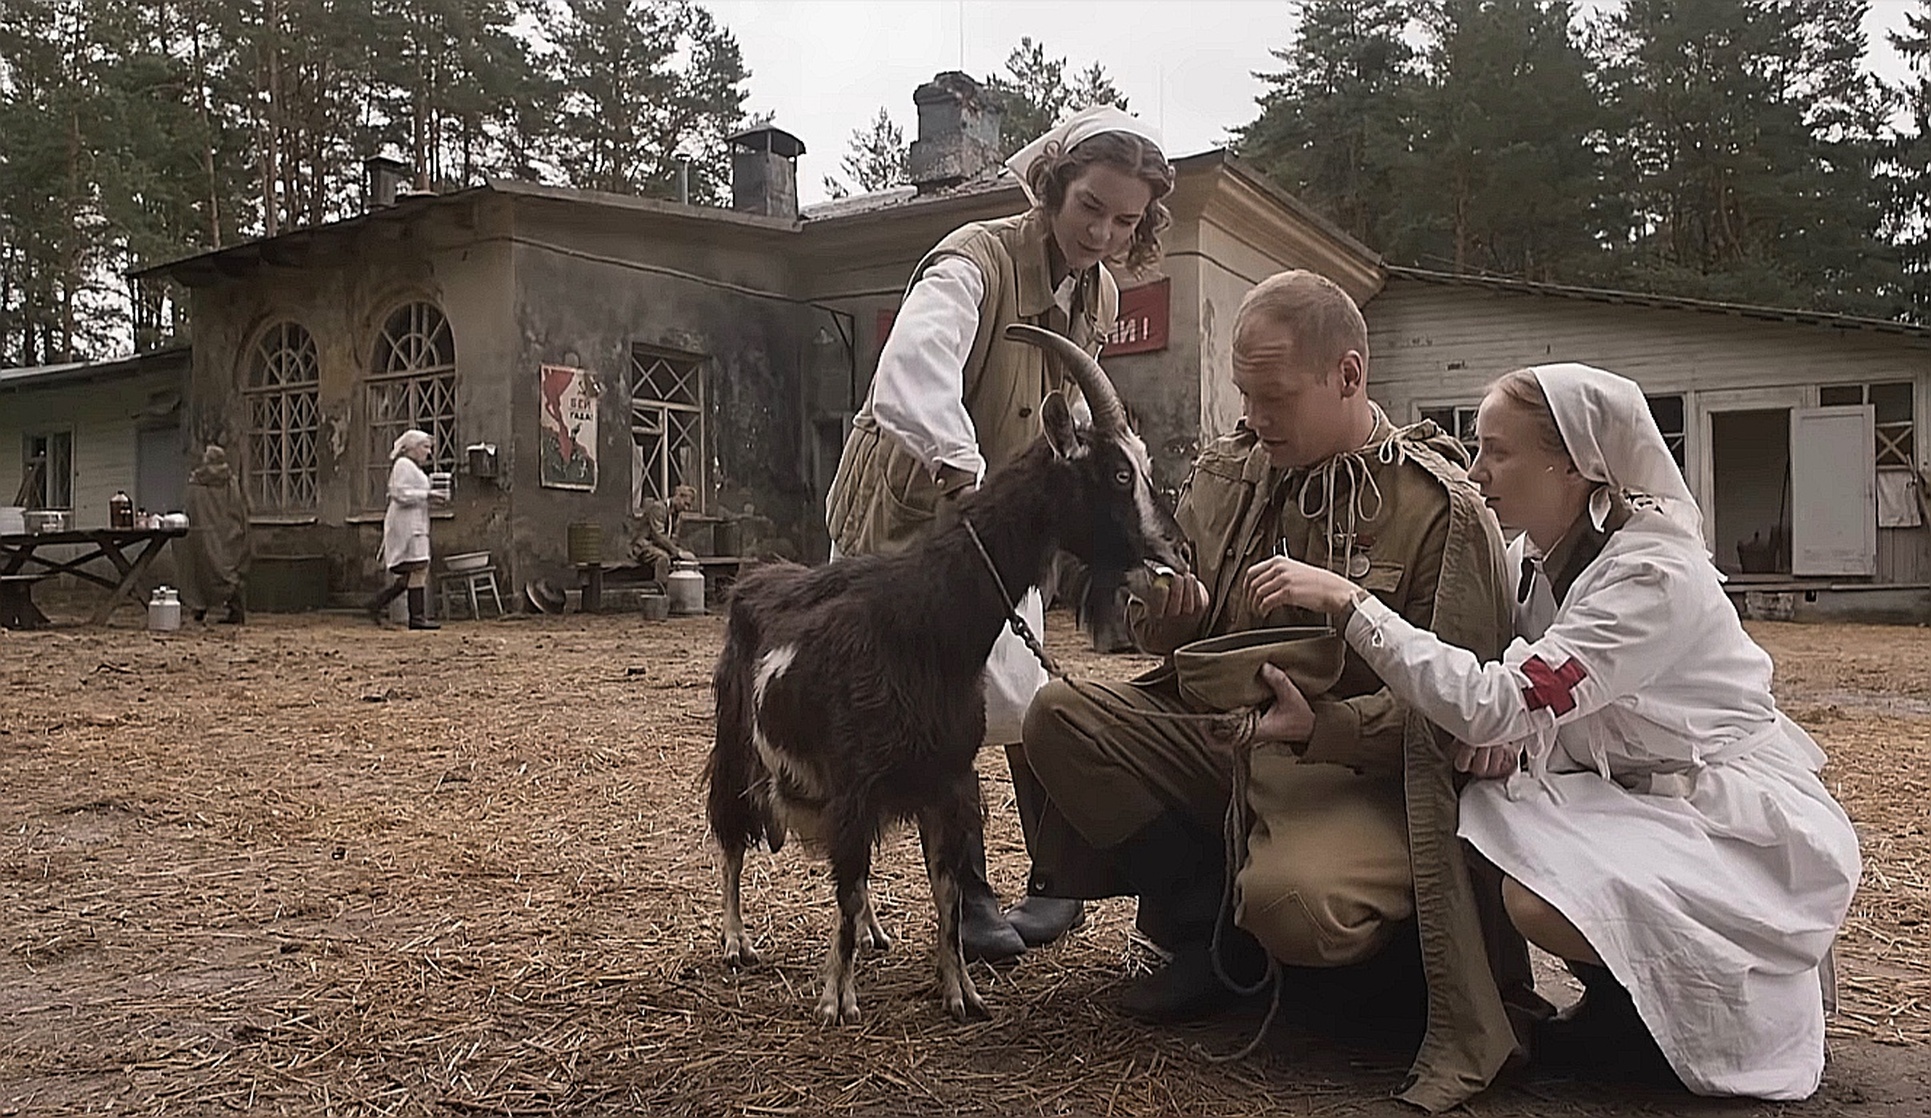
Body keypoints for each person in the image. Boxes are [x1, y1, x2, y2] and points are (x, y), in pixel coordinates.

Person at [1247, 363, 1862, 1100]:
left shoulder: (1651, 579)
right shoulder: (1533, 560)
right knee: (1493, 810)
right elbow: (1531, 701)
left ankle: (1696, 1024)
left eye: (1498, 451)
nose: (1476, 471)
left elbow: (1496, 700)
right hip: (1627, 787)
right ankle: (1616, 1002)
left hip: (1720, 813)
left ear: (1572, 465)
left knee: (1538, 893)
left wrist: (1353, 605)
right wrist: (1514, 735)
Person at [1019, 270, 1537, 1113]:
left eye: (1275, 397)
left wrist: (1322, 727)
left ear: (1348, 375)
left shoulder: (1438, 511)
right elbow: (1166, 619)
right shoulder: (1230, 471)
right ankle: (1203, 933)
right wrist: (1170, 619)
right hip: (1221, 740)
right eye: (1244, 395)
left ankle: (1362, 974)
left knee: (1296, 906)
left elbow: (1464, 711)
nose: (1255, 418)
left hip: (1349, 772)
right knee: (1055, 717)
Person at [825, 104, 1175, 962]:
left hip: (1004, 517)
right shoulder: (970, 261)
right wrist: (958, 464)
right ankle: (968, 896)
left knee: (1025, 691)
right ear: (1052, 187)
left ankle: (1056, 882)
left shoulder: (1097, 290)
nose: (1102, 233)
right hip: (911, 511)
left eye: (1125, 220)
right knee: (935, 697)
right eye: (1089, 207)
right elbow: (912, 371)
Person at [364, 429, 446, 630]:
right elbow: (400, 493)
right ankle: (416, 618)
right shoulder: (402, 465)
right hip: (406, 525)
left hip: (415, 523)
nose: (428, 452)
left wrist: (431, 497)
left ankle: (378, 603)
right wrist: (427, 495)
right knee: (419, 567)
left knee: (414, 571)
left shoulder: (413, 468)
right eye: (425, 447)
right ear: (411, 448)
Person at [179, 444, 251, 624]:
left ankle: (199, 607)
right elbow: (238, 509)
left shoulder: (196, 483)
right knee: (226, 571)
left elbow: (190, 508)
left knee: (198, 568)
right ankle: (234, 608)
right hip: (226, 534)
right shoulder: (230, 482)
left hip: (202, 533)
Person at [633, 485, 698, 585]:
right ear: (678, 496)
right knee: (663, 558)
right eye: (686, 504)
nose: (686, 508)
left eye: (689, 506)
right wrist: (678, 552)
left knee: (686, 559)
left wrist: (683, 553)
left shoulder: (677, 516)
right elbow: (658, 536)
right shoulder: (658, 508)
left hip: (661, 548)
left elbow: (674, 538)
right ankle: (662, 589)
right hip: (645, 546)